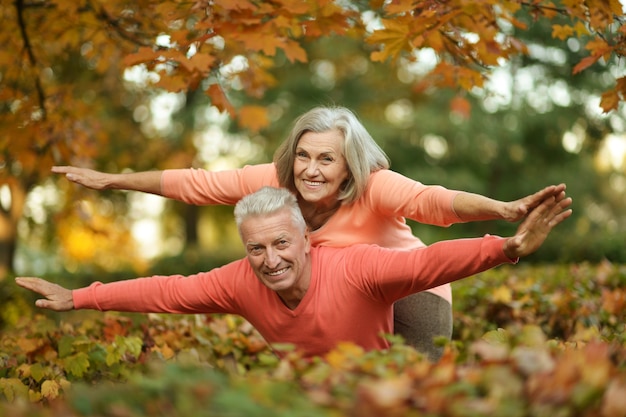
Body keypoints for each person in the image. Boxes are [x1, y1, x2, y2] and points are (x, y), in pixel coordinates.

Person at [51, 106, 567, 361]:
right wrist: (113, 179)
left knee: (411, 381)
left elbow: (434, 202)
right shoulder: (273, 184)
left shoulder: (375, 186)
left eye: (327, 159)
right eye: (303, 154)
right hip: (335, 288)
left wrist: (502, 213)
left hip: (410, 284)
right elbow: (195, 183)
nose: (311, 169)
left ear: (350, 167)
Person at [17, 187, 572, 358]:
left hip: (416, 305)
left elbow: (428, 263)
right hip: (334, 365)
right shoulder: (241, 279)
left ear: (305, 240)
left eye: (281, 243)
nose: (270, 260)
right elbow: (170, 290)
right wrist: (80, 297)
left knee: (414, 384)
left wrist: (509, 247)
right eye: (256, 249)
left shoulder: (355, 266)